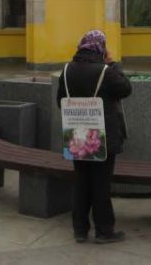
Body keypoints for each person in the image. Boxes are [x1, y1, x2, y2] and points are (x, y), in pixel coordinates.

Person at [56, 29, 131, 244]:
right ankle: (104, 231)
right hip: (102, 137)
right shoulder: (105, 71)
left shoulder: (67, 70)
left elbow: (60, 101)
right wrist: (113, 64)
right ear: (101, 48)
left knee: (81, 181)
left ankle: (80, 230)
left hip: (77, 135)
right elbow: (126, 88)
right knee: (101, 183)